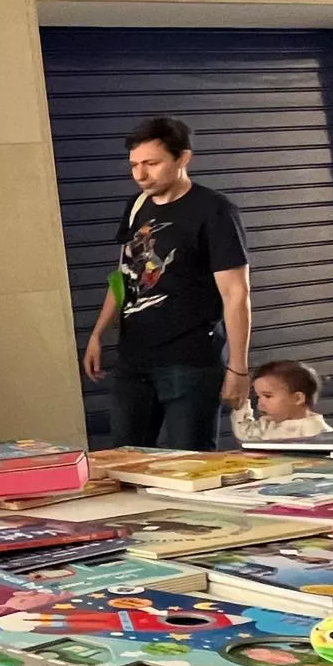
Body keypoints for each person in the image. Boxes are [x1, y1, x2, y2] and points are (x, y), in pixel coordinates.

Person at [83, 116, 252, 450]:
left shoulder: (214, 211)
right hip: (133, 362)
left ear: (182, 158)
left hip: (189, 364)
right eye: (134, 165)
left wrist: (238, 368)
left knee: (192, 466)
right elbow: (123, 275)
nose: (140, 175)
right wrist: (98, 333)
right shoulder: (136, 206)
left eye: (152, 164)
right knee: (127, 463)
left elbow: (236, 293)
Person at [231, 360, 333, 443]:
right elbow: (245, 434)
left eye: (267, 396)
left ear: (297, 398)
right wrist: (241, 405)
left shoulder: (317, 432)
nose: (260, 403)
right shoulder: (267, 425)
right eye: (258, 397)